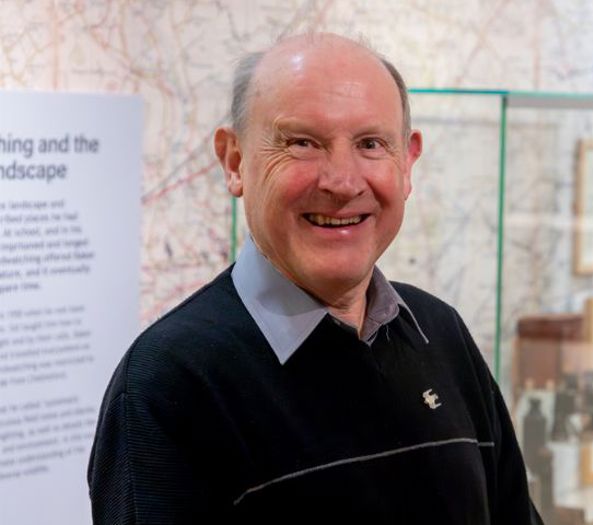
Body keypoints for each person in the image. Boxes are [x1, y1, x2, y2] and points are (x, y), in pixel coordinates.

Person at [88, 32, 543, 524]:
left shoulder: (442, 333)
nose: (343, 182)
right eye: (302, 143)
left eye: (371, 144)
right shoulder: (167, 384)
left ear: (407, 163)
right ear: (235, 161)